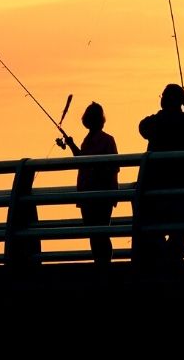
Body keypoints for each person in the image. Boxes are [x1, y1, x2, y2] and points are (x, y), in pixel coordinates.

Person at [134, 84, 184, 269]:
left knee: (154, 230)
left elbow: (142, 127)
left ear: (163, 100)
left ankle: (161, 263)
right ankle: (173, 264)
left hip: (156, 187)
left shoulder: (153, 123)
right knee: (181, 232)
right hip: (183, 186)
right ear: (181, 101)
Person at [63, 102, 119, 266]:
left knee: (99, 231)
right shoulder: (87, 141)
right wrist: (72, 144)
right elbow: (82, 160)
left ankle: (104, 263)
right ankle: (101, 262)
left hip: (100, 193)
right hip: (89, 193)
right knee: (95, 232)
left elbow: (113, 167)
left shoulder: (107, 140)